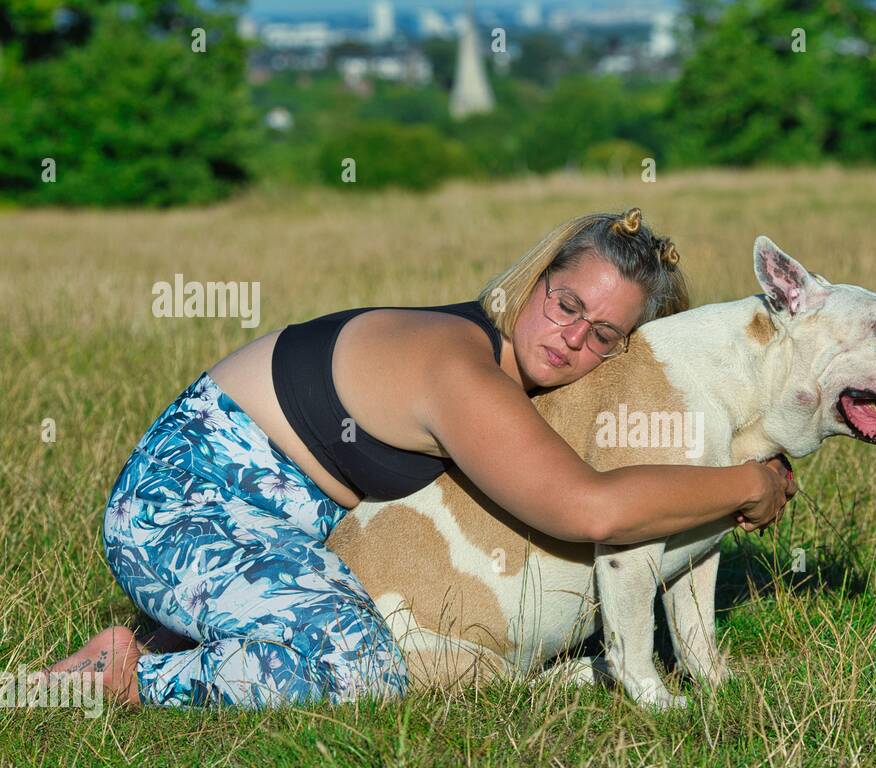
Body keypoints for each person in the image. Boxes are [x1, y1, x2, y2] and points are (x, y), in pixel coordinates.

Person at [49, 207, 797, 708]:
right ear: (533, 279)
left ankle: (149, 640)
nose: (574, 338)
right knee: (364, 665)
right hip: (179, 511)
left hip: (274, 534)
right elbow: (587, 508)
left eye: (604, 335)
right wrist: (747, 485)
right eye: (567, 304)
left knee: (353, 630)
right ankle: (128, 683)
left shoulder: (503, 366)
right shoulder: (460, 369)